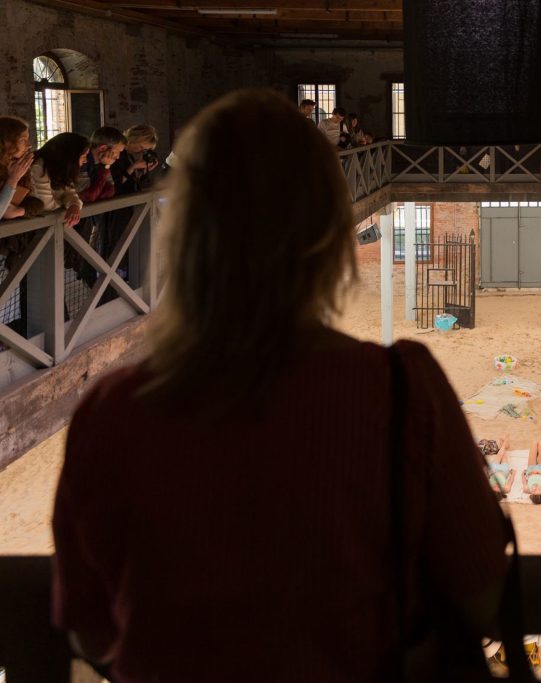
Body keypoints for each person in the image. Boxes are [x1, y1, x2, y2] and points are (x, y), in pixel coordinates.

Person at [50, 89, 508, 681]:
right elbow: (480, 589)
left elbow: (89, 625)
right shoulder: (401, 389)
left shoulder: (112, 412)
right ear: (327, 233)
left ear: (182, 234)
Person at [29, 132, 89, 228]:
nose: (86, 160)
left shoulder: (61, 168)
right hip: (34, 226)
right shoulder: (39, 166)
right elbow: (46, 205)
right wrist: (66, 204)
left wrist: (74, 205)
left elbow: (70, 193)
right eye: (83, 156)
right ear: (70, 156)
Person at [77, 127, 127, 204]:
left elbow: (110, 191)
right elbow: (89, 196)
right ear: (103, 148)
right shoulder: (82, 161)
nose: (118, 157)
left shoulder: (103, 161)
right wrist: (105, 168)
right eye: (117, 151)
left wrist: (106, 165)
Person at [109, 125, 159, 196]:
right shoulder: (117, 154)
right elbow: (115, 184)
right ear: (132, 139)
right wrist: (133, 167)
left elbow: (133, 181)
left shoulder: (130, 154)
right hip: (118, 199)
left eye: (146, 150)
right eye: (141, 147)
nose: (142, 152)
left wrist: (144, 171)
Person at [0, 116, 34, 220]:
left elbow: (36, 201)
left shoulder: (17, 166)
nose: (29, 145)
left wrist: (20, 211)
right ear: (6, 142)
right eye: (23, 140)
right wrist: (13, 179)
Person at [485, 435, 515, 500]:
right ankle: (505, 441)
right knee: (504, 455)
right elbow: (510, 481)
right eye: (498, 488)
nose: (496, 486)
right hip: (503, 472)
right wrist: (513, 474)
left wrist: (487, 472)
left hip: (494, 470)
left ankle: (505, 442)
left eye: (494, 488)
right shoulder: (506, 489)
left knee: (499, 455)